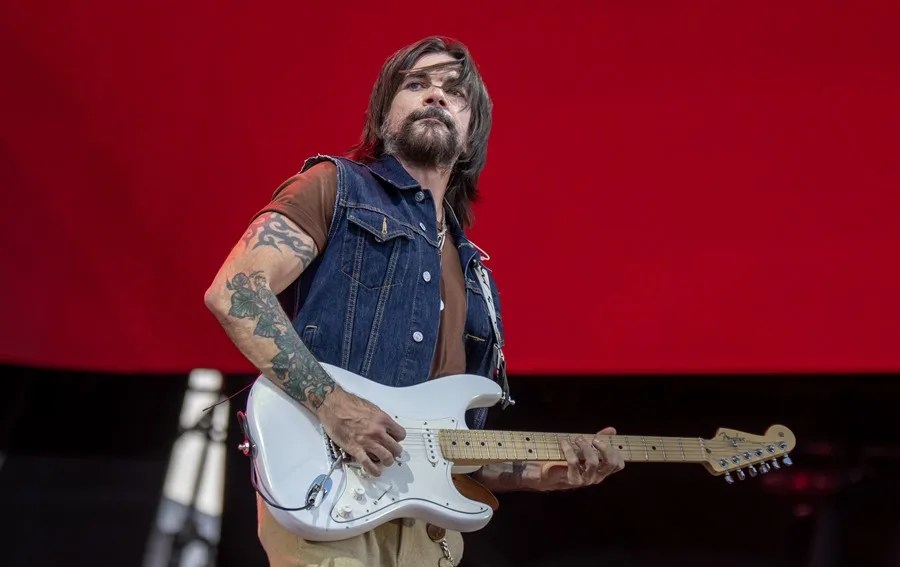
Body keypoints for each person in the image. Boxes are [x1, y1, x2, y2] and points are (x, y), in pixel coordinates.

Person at [204, 35, 624, 567]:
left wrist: (547, 473)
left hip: (428, 537)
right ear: (384, 117)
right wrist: (335, 406)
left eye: (454, 92)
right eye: (416, 84)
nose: (435, 97)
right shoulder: (333, 186)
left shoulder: (477, 279)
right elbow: (236, 291)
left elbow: (457, 447)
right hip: (327, 502)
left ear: (472, 135)